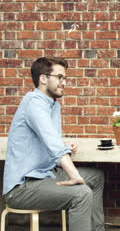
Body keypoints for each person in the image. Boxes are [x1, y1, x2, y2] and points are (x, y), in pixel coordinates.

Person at [2, 57, 105, 231]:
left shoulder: (52, 104)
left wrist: (64, 146)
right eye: (59, 77)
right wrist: (72, 173)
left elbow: (49, 139)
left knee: (95, 177)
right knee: (81, 193)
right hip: (22, 186)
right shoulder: (33, 103)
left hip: (43, 175)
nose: (63, 82)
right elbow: (52, 144)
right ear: (43, 78)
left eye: (64, 78)